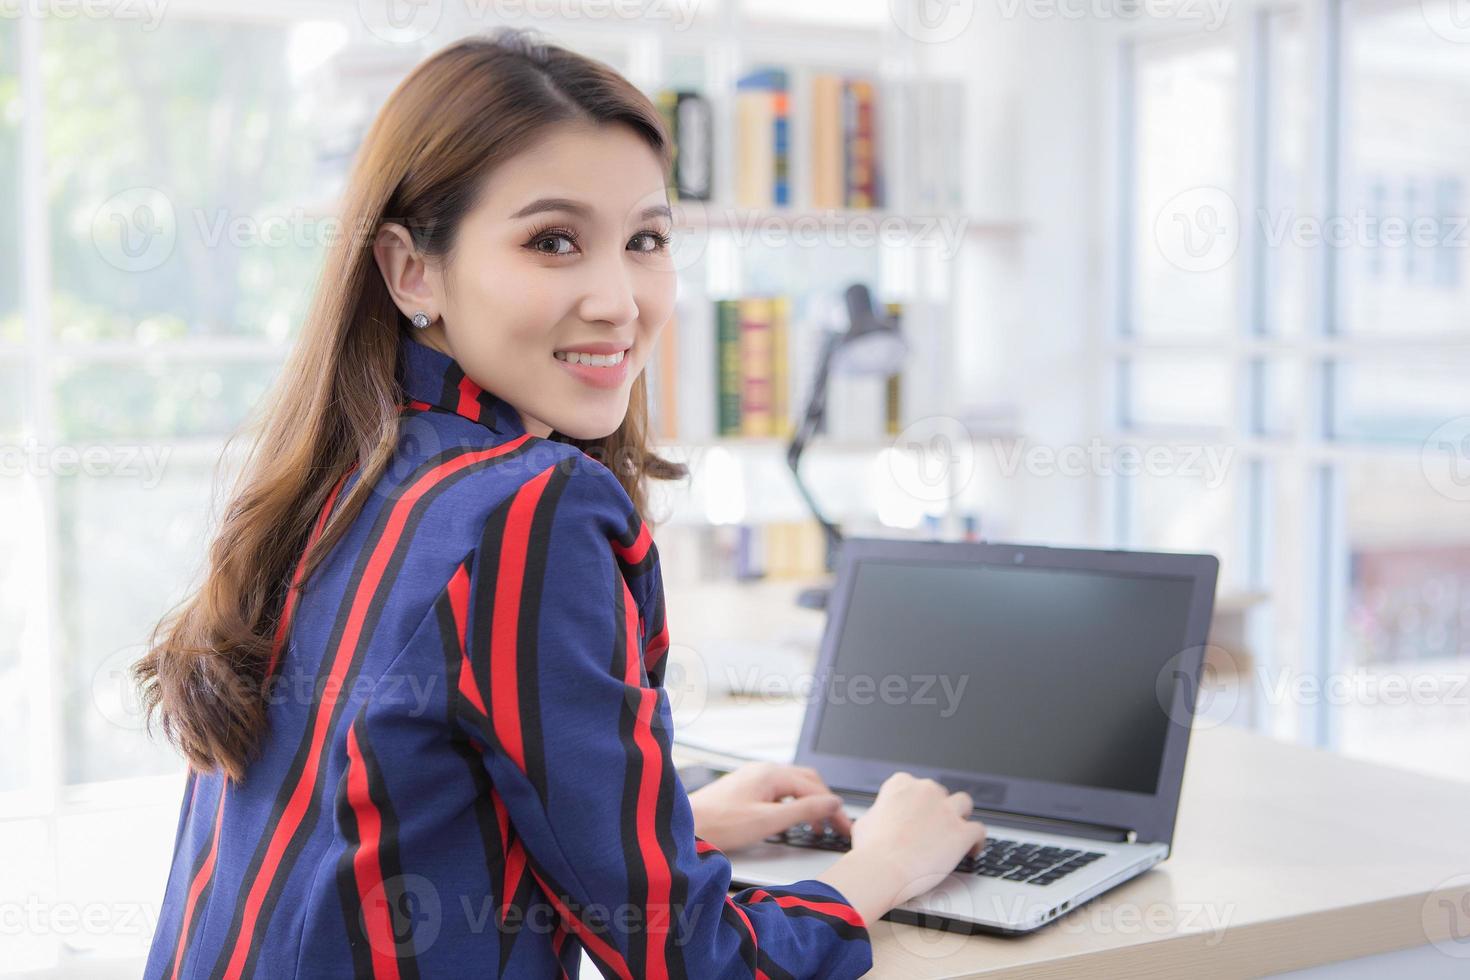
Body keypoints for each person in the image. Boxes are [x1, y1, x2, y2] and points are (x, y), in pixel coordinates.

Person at [135, 28, 986, 979]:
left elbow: (369, 827)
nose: (619, 300)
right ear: (412, 270)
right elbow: (691, 964)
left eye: (647, 241)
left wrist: (670, 824)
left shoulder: (336, 477)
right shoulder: (531, 507)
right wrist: (881, 867)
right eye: (553, 242)